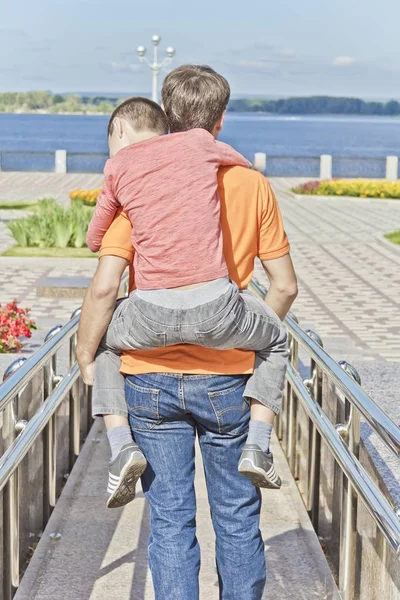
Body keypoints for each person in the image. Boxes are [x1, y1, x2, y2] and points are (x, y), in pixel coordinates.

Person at [77, 64, 297, 600]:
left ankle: (118, 445)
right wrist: (239, 336)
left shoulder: (142, 187)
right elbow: (285, 286)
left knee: (171, 519)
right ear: (220, 119)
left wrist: (88, 355)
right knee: (238, 516)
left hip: (148, 377)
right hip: (228, 377)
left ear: (165, 117)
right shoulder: (251, 184)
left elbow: (106, 285)